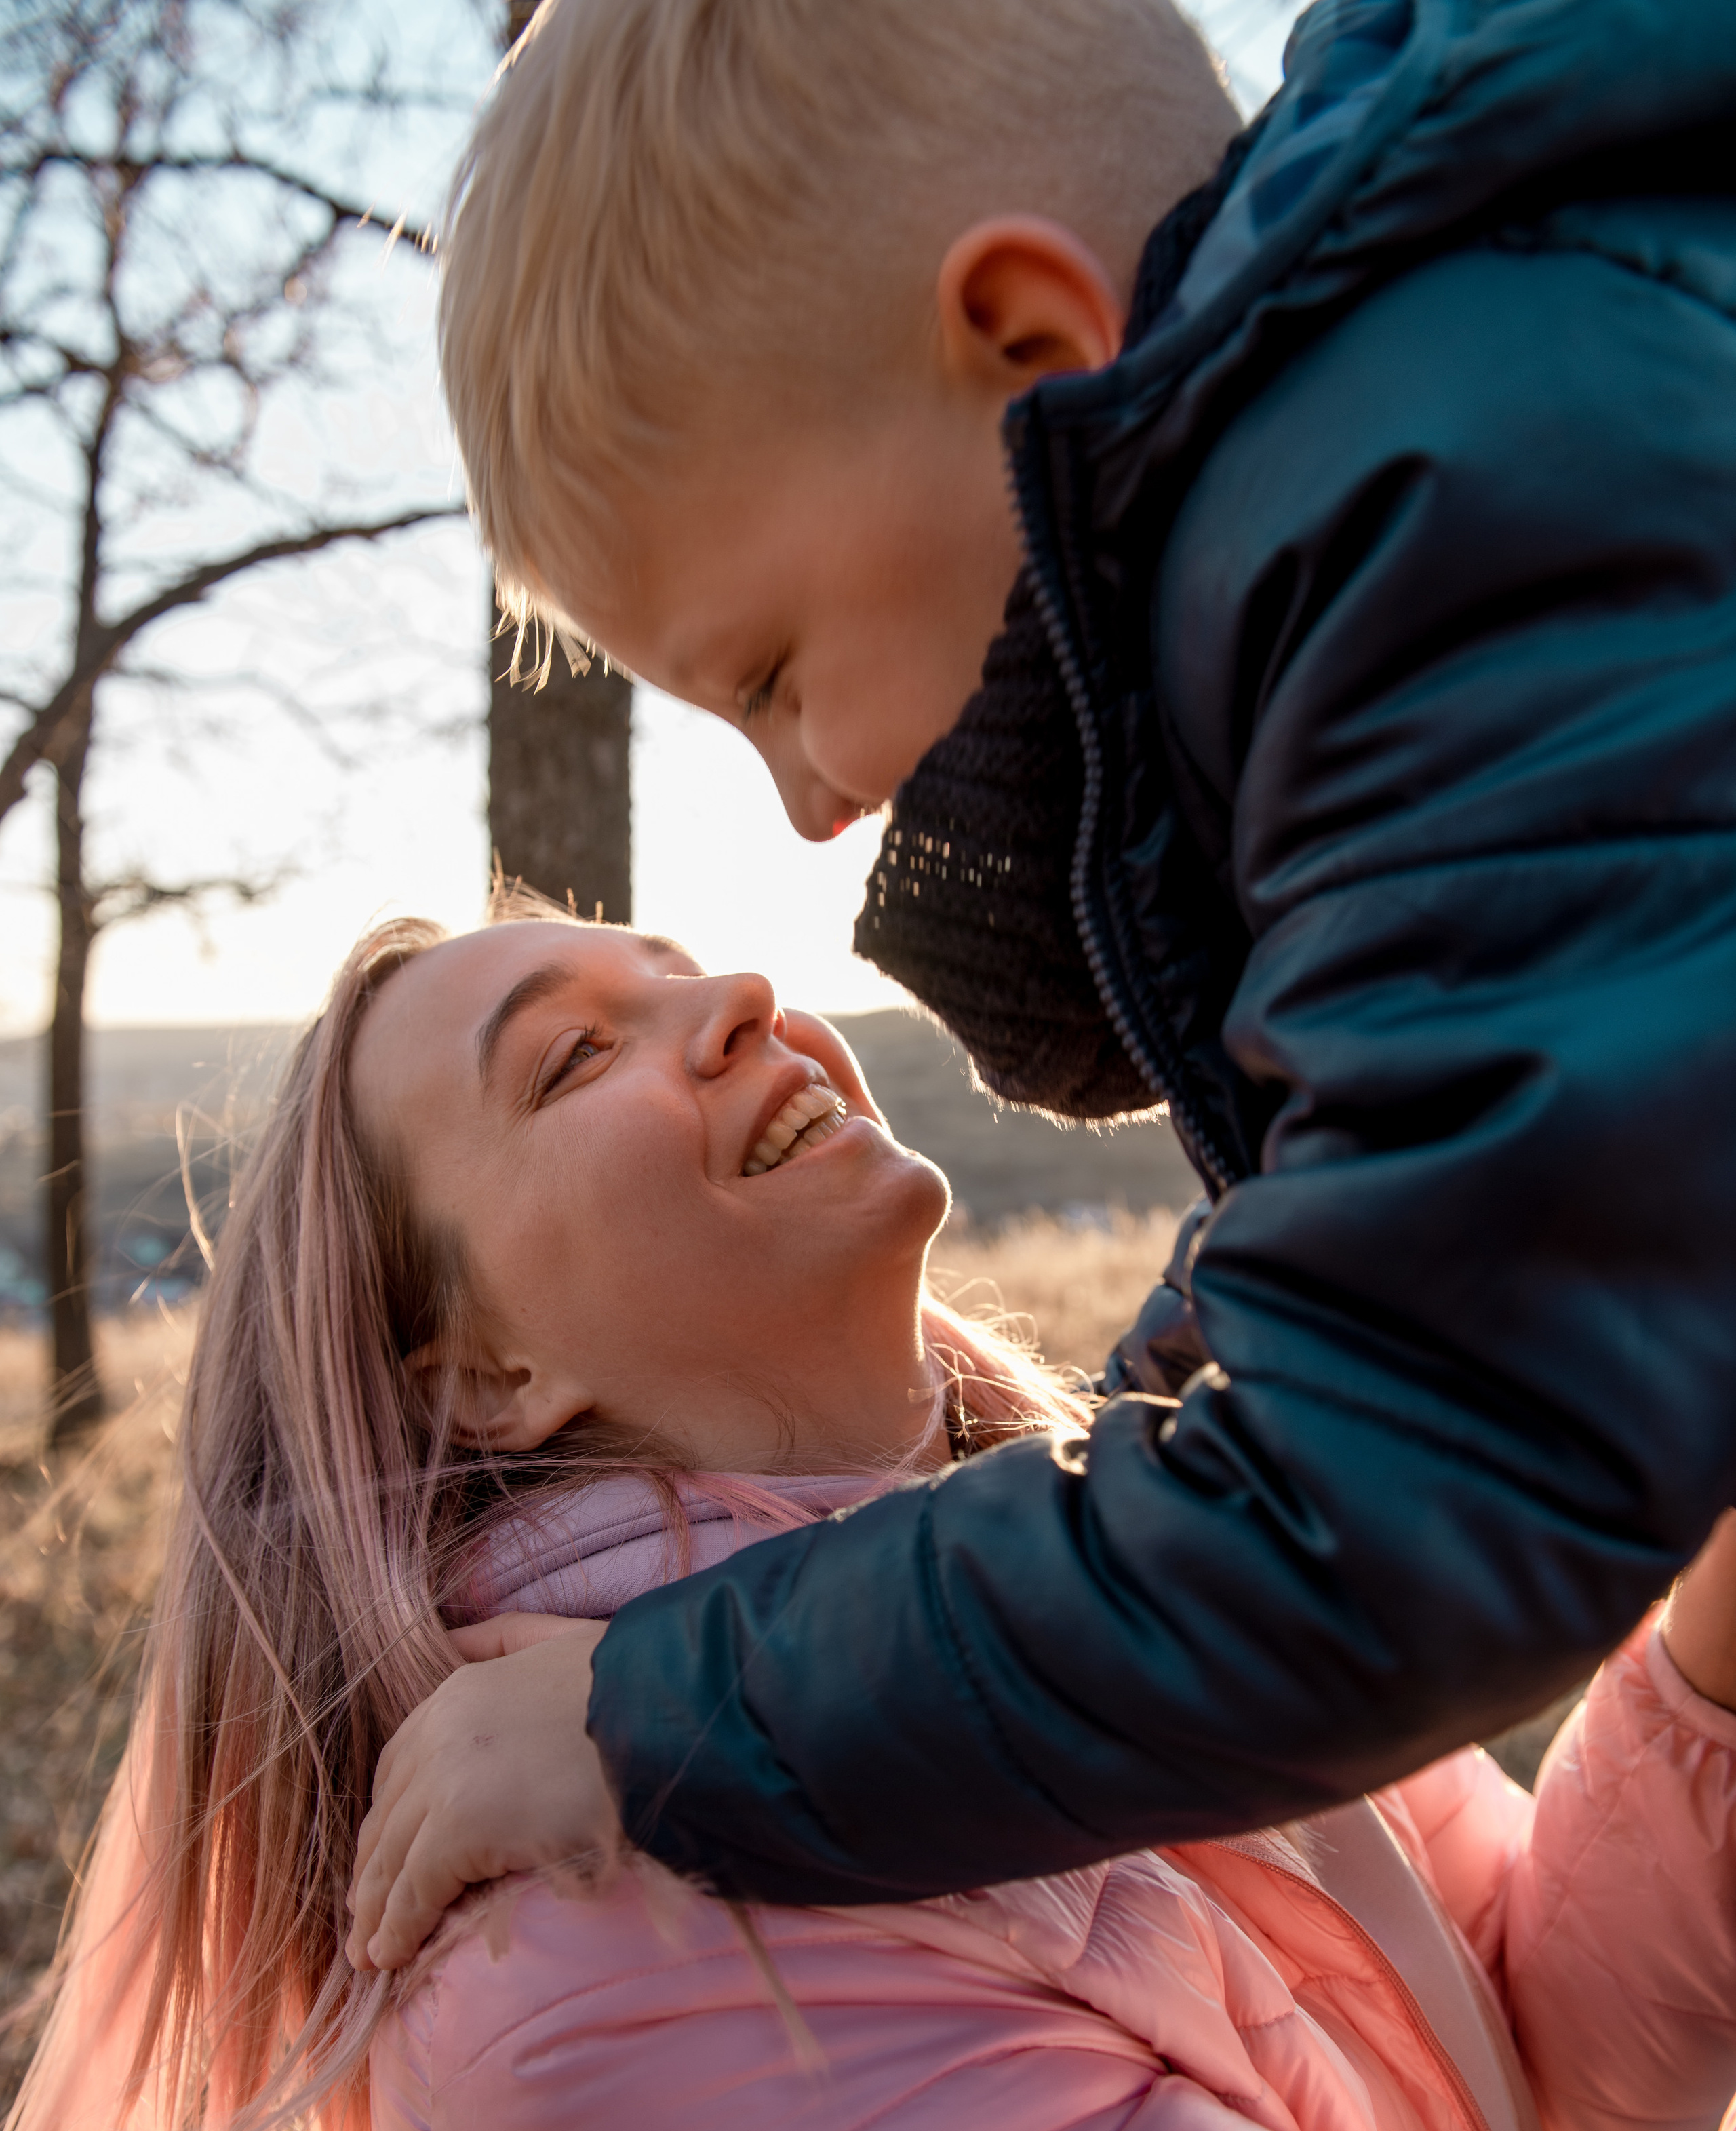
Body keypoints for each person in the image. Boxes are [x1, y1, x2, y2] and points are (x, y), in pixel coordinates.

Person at [7, 903, 1736, 2131]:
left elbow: (1529, 2035)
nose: (750, 992)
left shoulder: (1095, 1580)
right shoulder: (615, 1995)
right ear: (482, 1372)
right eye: (574, 1054)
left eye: (686, 967)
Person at [344, 0, 1736, 1956]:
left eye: (766, 675)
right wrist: (1094, 1454)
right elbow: (1366, 1247)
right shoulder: (1462, 416)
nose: (816, 801)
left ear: (1027, 343)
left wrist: (658, 1716)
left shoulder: (1439, 532)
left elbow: (1393, 1475)